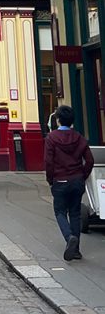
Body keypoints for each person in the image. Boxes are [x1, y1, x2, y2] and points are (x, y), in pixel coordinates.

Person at [45, 104, 94, 261]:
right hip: (76, 180)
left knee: (59, 212)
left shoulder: (51, 138)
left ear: (58, 120)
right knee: (75, 213)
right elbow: (90, 160)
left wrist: (50, 179)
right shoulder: (79, 138)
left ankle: (69, 237)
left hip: (60, 180)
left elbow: (48, 162)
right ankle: (76, 250)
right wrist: (83, 175)